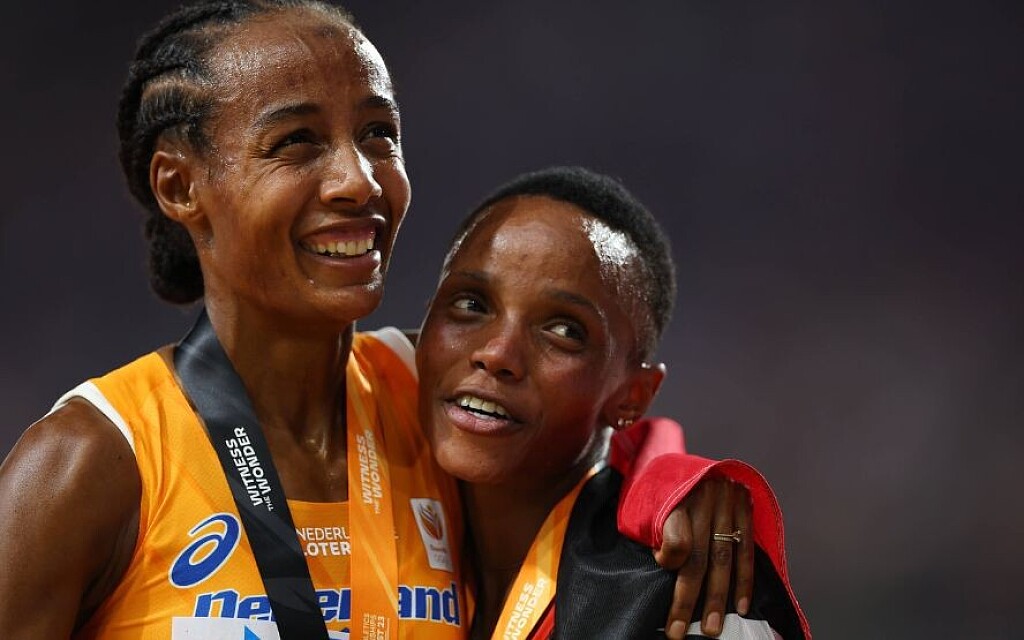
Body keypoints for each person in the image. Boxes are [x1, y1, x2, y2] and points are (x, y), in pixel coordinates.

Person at [0, 2, 754, 638]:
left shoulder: (431, 396)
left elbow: (590, 418)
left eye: (377, 134)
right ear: (179, 185)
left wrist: (679, 483)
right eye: (296, 142)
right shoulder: (96, 460)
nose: (358, 181)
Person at [416, 166, 812, 639]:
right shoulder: (361, 473)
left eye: (564, 330)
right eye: (471, 304)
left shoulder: (687, 602)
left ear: (633, 396)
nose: (497, 354)